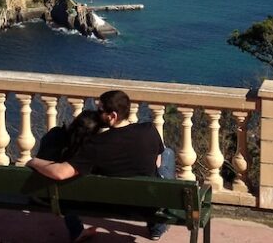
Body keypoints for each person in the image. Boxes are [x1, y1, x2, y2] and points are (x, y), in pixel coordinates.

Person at [27, 90, 175, 241]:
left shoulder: (96, 145)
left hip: (108, 204)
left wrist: (34, 161)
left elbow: (60, 173)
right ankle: (156, 227)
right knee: (167, 153)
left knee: (69, 185)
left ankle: (76, 231)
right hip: (147, 205)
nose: (97, 114)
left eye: (100, 110)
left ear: (113, 116)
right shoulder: (149, 130)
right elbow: (157, 162)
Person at [35, 110, 104, 242]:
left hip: (41, 194)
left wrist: (33, 161)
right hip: (68, 199)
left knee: (65, 191)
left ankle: (76, 230)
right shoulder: (90, 151)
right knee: (70, 192)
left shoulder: (55, 134)